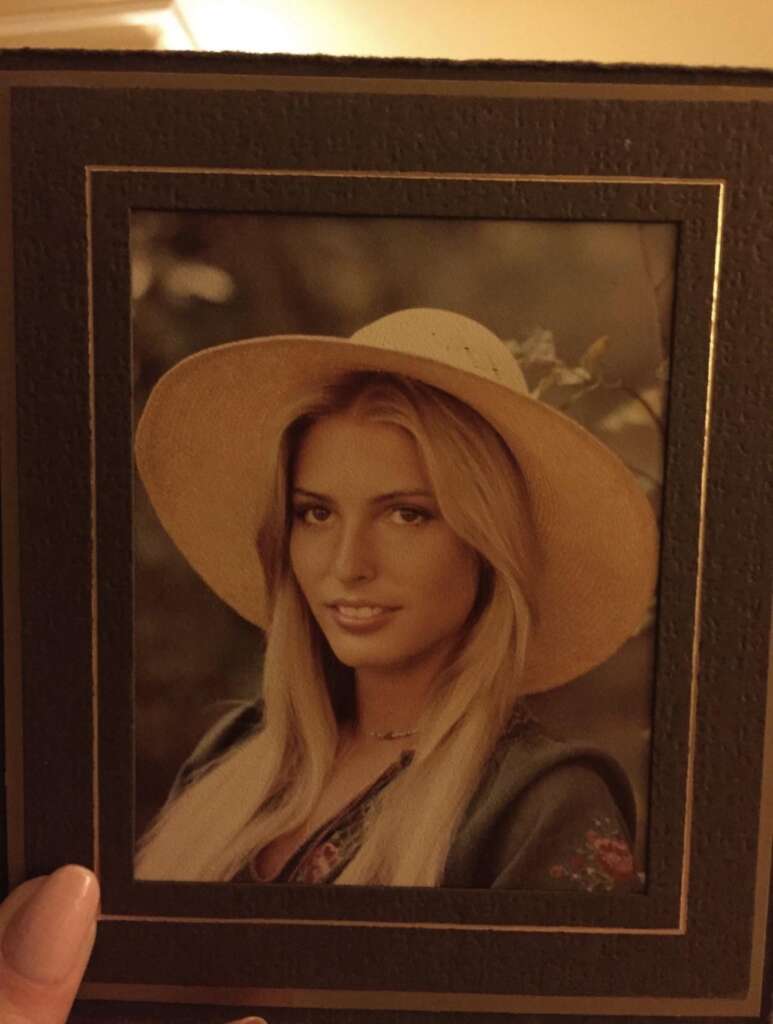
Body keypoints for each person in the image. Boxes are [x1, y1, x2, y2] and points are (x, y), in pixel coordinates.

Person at [134, 307, 657, 888]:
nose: (347, 564)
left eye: (406, 515)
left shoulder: (543, 806)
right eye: (317, 513)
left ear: (488, 546)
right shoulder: (230, 753)